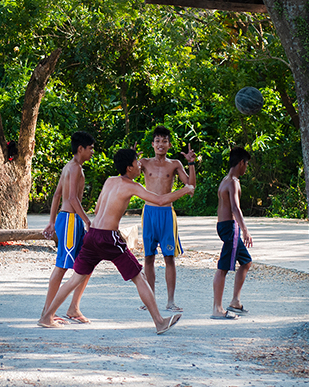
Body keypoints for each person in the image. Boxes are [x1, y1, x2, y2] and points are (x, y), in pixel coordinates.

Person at [38, 148, 194, 334]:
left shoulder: (109, 181)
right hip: (108, 238)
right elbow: (159, 201)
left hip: (93, 235)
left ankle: (46, 317)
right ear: (129, 168)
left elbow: (97, 209)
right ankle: (160, 322)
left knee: (75, 279)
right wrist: (185, 190)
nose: (139, 165)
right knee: (139, 276)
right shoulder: (132, 186)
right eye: (136, 163)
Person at [136, 126, 197, 312]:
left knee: (169, 257)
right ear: (153, 144)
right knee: (148, 257)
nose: (160, 144)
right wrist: (132, 160)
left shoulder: (175, 163)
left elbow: (190, 186)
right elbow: (130, 176)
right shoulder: (144, 162)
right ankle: (150, 298)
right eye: (157, 141)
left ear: (169, 144)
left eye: (164, 141)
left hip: (167, 214)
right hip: (149, 213)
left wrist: (191, 164)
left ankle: (171, 301)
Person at [40, 131, 95, 325]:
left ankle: (73, 308)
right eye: (90, 148)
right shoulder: (75, 169)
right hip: (71, 220)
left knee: (86, 266)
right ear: (81, 148)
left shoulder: (69, 167)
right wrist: (87, 220)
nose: (92, 152)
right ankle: (47, 313)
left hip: (68, 220)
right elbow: (71, 199)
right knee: (63, 266)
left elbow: (56, 195)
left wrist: (52, 221)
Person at [212, 147, 253, 319]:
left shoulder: (225, 180)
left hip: (223, 226)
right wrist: (245, 229)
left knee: (246, 261)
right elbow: (235, 207)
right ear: (241, 162)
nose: (246, 168)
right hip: (230, 228)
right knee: (223, 268)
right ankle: (217, 309)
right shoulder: (233, 182)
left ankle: (235, 301)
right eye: (246, 164)